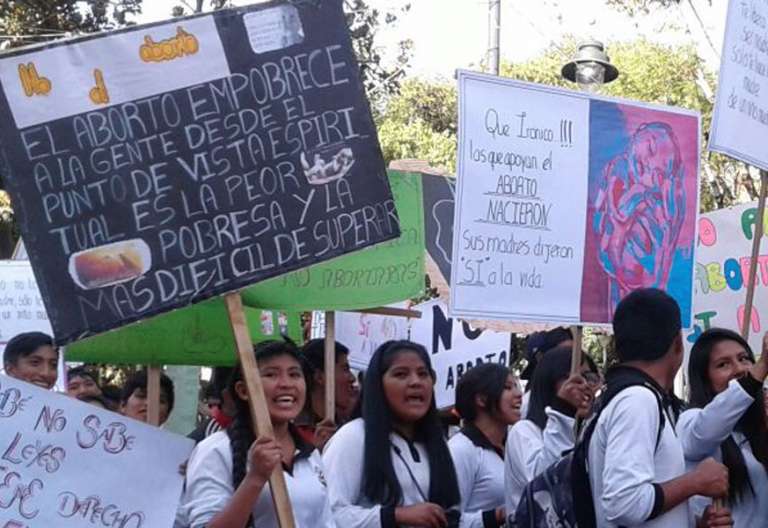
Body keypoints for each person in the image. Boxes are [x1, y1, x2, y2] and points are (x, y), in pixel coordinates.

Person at [588, 288, 731, 527]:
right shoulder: (637, 400)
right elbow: (624, 504)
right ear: (677, 343)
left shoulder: (631, 396)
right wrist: (695, 482)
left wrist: (695, 523)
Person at [180, 339, 334, 528]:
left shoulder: (311, 456)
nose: (286, 384)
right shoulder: (215, 451)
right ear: (243, 390)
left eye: (294, 374)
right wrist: (256, 477)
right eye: (271, 374)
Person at [323, 340, 463, 528]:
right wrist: (394, 516)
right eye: (401, 374)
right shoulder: (353, 436)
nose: (416, 382)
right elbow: (329, 513)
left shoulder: (437, 443)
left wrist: (496, 515)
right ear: (377, 385)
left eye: (423, 374)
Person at [680, 328, 768, 527]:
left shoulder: (755, 431)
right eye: (723, 364)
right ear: (704, 379)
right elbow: (704, 432)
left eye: (744, 359)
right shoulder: (690, 421)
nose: (739, 369)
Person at [504, 346, 592, 519]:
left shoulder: (587, 433)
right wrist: (563, 412)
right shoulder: (523, 432)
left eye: (588, 377)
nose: (583, 385)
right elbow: (547, 481)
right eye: (570, 378)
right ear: (549, 382)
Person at [449, 363, 522, 528]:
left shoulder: (514, 447)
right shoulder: (461, 449)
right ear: (481, 399)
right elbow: (446, 520)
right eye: (507, 388)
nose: (519, 394)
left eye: (516, 386)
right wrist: (499, 515)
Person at [296, 338, 358, 449]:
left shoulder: (351, 426)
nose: (352, 378)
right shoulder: (291, 432)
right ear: (320, 377)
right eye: (345, 369)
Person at [519, 327, 573, 416]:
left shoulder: (581, 401)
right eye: (564, 354)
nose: (571, 361)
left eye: (573, 354)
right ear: (540, 357)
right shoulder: (525, 409)